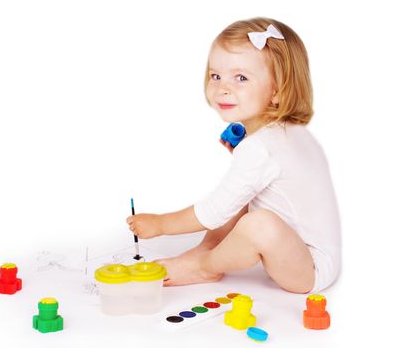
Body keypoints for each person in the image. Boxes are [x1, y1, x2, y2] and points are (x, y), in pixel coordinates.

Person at [126, 17, 341, 294]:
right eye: (216, 76)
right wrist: (242, 155)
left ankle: (205, 265)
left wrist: (160, 223)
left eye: (241, 78)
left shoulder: (260, 148)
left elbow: (212, 212)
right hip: (303, 251)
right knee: (244, 196)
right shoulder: (288, 133)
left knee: (257, 224)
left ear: (277, 90)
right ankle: (208, 248)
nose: (223, 88)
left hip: (309, 270)